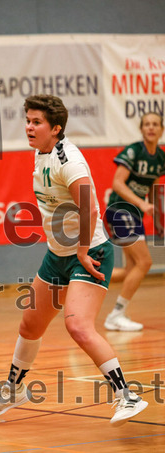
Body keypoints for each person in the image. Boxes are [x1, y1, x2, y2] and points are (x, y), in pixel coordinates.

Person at [0, 95, 148, 426]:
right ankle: (13, 390)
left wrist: (82, 250)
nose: (29, 127)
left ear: (55, 128)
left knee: (78, 326)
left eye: (36, 122)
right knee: (30, 325)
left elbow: (90, 208)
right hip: (57, 255)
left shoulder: (68, 160)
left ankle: (127, 396)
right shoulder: (41, 154)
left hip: (90, 253)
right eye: (27, 120)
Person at [104, 112, 165, 332]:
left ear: (161, 130)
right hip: (120, 209)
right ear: (141, 129)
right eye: (147, 124)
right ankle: (116, 315)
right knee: (145, 262)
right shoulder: (133, 151)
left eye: (155, 124)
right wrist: (141, 203)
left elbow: (154, 187)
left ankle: (80, 278)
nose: (151, 127)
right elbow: (117, 183)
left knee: (131, 270)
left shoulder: (160, 158)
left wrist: (158, 219)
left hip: (134, 214)